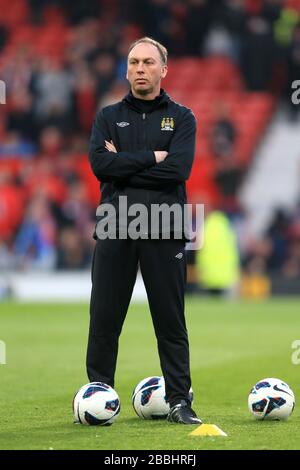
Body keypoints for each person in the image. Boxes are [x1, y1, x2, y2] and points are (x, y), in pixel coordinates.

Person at [87, 37, 201, 425]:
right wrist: (152, 158)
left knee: (170, 320)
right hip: (115, 224)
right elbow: (101, 166)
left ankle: (179, 402)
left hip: (164, 226)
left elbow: (179, 170)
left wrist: (124, 163)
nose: (140, 68)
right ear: (127, 69)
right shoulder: (106, 115)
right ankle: (98, 397)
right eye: (134, 62)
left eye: (148, 62)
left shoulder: (183, 117)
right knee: (104, 317)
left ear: (163, 70)